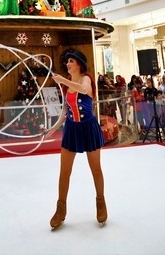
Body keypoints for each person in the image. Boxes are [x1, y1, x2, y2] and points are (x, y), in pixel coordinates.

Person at [46, 49, 107, 229]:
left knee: (96, 169)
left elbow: (85, 89)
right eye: (67, 61)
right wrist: (53, 128)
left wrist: (63, 80)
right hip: (71, 129)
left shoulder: (85, 78)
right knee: (64, 172)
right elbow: (65, 113)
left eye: (71, 61)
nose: (67, 64)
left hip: (88, 128)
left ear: (79, 64)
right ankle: (60, 209)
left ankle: (101, 202)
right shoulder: (66, 86)